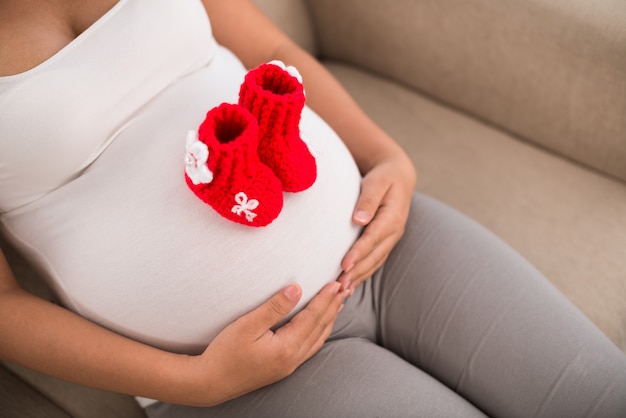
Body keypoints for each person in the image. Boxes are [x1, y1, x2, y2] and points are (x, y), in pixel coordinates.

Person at [0, 0, 624, 417]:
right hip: (239, 375)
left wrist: (387, 158)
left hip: (387, 247)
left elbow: (270, 46)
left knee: (601, 396)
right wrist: (196, 384)